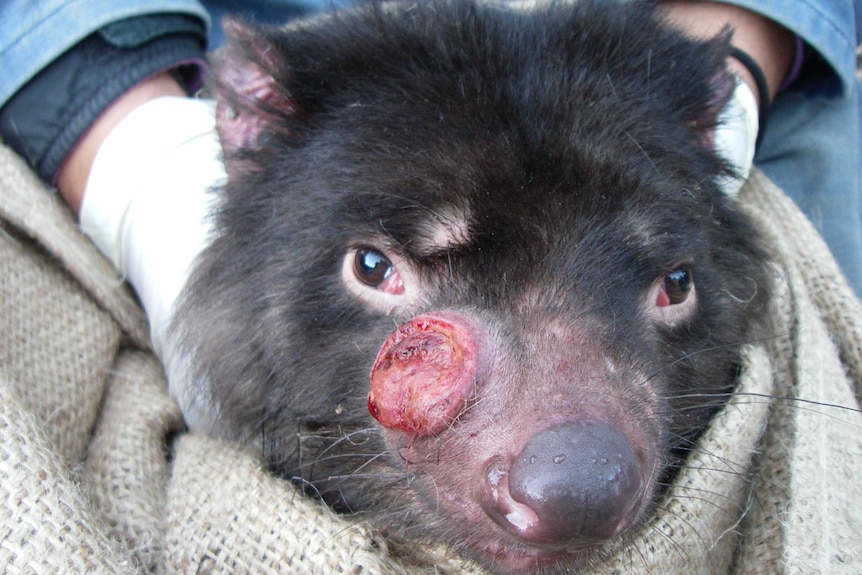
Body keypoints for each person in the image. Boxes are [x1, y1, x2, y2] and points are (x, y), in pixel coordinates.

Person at [1, 0, 860, 355]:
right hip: (276, 61)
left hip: (654, 51)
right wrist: (138, 165)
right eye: (381, 272)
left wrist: (726, 81)